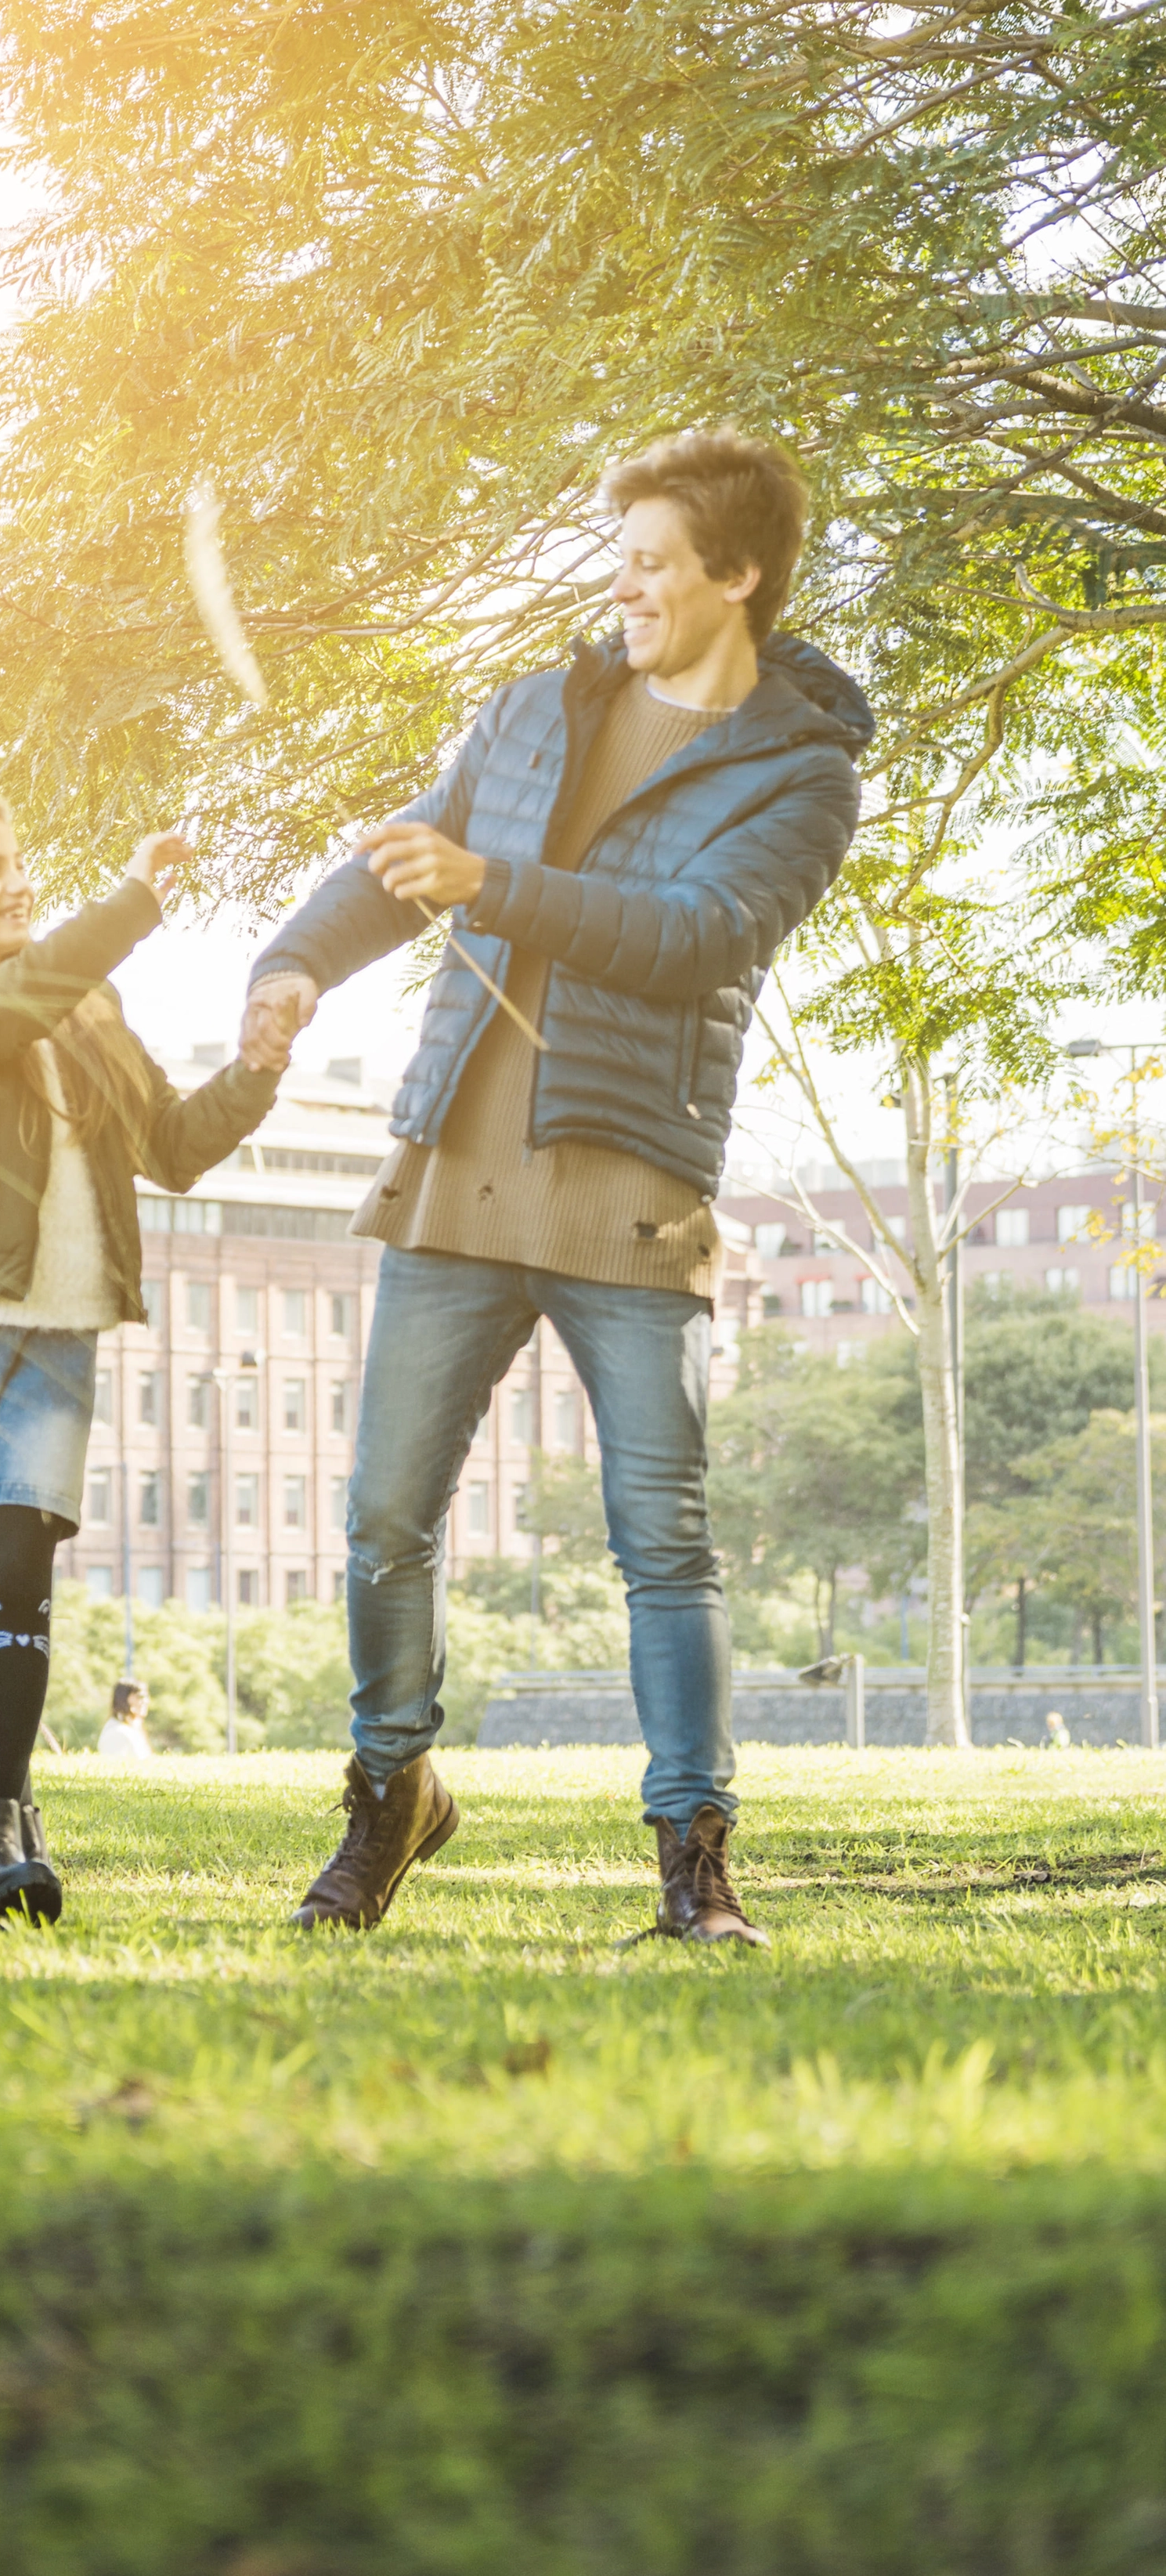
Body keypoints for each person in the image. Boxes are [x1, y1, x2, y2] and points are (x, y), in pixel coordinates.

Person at [240, 429, 874, 1947]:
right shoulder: (531, 713)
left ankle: (691, 1861)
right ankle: (389, 1797)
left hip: (629, 1186)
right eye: (623, 555)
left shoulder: (801, 776)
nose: (625, 584)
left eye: (655, 559)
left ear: (737, 573)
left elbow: (694, 936)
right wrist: (289, 966)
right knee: (384, 1515)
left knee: (661, 1536)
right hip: (454, 1169)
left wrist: (493, 889)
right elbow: (415, 857)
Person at [0, 793, 281, 1924]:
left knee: (21, 1574)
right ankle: (2, 1835)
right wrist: (130, 902)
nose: (18, 882)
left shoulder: (83, 1002)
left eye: (22, 861)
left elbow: (169, 1146)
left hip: (65, 1325)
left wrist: (257, 1065)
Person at [98, 1681, 153, 1760]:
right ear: (124, 1699)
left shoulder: (132, 1729)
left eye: (146, 1697)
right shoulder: (117, 1732)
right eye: (140, 1696)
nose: (146, 1701)